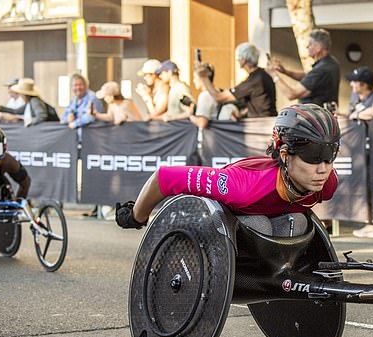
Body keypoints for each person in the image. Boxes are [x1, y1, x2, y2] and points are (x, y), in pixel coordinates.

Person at [115, 103, 340, 229]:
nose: (322, 169)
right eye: (312, 158)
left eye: (329, 157)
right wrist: (137, 216)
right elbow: (164, 177)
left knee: (297, 223)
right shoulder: (242, 187)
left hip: (275, 221)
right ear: (285, 155)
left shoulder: (326, 184)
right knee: (259, 224)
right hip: (228, 222)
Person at [197, 42, 277, 118]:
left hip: (261, 125)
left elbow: (219, 97)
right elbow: (260, 103)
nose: (237, 60)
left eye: (238, 57)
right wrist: (241, 114)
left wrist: (204, 78)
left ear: (244, 59)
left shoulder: (253, 80)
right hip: (269, 121)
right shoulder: (262, 75)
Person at [266, 29, 340, 108]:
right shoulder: (331, 63)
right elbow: (308, 76)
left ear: (318, 48)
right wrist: (285, 71)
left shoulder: (321, 70)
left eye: (310, 44)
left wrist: (274, 75)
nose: (307, 46)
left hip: (314, 117)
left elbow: (291, 94)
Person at [189, 64, 239, 128]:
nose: (193, 81)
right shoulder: (219, 92)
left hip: (208, 136)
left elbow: (202, 123)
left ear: (202, 78)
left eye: (195, 77)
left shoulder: (204, 96)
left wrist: (190, 115)